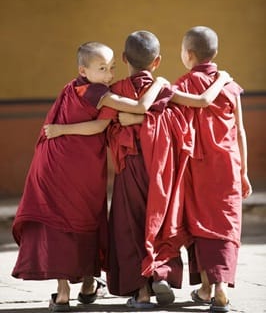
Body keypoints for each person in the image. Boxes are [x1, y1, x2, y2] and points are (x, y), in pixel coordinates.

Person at [44, 31, 232, 309]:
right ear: (156, 62)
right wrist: (223, 79)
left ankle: (142, 293)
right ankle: (161, 273)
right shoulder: (164, 88)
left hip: (129, 166)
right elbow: (189, 112)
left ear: (123, 59)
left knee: (130, 223)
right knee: (162, 220)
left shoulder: (115, 90)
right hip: (161, 168)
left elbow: (106, 123)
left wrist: (131, 118)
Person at [11, 41, 169, 312]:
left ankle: (65, 292)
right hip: (76, 166)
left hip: (50, 163)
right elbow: (136, 109)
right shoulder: (99, 92)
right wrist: (159, 83)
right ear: (83, 70)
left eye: (112, 68)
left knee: (59, 221)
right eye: (101, 69)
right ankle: (86, 283)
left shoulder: (72, 87)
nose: (108, 75)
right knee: (86, 218)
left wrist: (60, 130)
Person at [173, 26, 252, 312]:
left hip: (197, 167)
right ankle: (217, 289)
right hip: (229, 165)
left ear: (189, 54)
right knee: (226, 226)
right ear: (215, 53)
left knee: (200, 224)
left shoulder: (182, 85)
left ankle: (207, 286)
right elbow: (240, 131)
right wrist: (243, 171)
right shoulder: (230, 86)